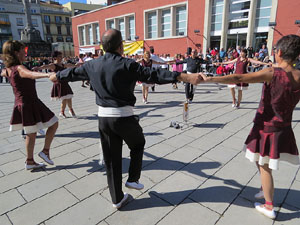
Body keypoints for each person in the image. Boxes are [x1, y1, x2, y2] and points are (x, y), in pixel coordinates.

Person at [49, 29, 201, 209]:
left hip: (104, 119)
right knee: (137, 144)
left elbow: (73, 73)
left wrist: (57, 76)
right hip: (124, 117)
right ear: (121, 46)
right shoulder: (128, 64)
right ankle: (133, 179)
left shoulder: (92, 65)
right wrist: (183, 76)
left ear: (103, 47)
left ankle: (117, 199)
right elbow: (153, 75)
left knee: (112, 160)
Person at [199, 34, 300, 220]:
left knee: (264, 165)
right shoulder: (298, 75)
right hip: (283, 126)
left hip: (267, 127)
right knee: (257, 157)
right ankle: (264, 187)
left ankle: (269, 205)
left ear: (279, 52)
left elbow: (239, 76)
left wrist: (209, 80)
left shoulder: (273, 72)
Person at [1, 40, 58, 170]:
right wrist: (48, 74)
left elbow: (7, 72)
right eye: (23, 50)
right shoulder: (19, 68)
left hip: (22, 103)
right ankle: (45, 152)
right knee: (54, 123)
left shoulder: (9, 69)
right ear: (16, 53)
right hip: (30, 103)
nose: (25, 52)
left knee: (31, 134)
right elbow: (30, 75)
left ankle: (30, 161)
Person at [33, 51, 78, 118]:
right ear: (55, 58)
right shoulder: (54, 65)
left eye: (61, 56)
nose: (61, 57)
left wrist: (76, 65)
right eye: (59, 56)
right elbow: (45, 66)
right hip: (59, 83)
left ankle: (69, 110)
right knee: (65, 98)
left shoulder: (63, 65)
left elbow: (69, 65)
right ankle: (63, 112)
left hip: (65, 82)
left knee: (69, 97)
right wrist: (38, 68)